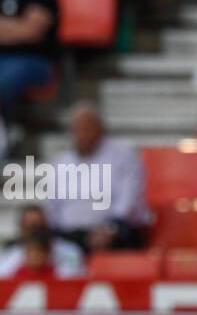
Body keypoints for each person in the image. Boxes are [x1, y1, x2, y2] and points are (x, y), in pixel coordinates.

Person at [42, 102, 150, 251]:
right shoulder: (61, 162)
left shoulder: (123, 154)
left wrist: (110, 228)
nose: (81, 134)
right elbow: (51, 208)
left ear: (100, 129)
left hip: (113, 231)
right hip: (69, 235)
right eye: (77, 129)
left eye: (86, 128)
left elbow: (129, 201)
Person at [0, 203, 85, 278]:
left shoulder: (69, 251)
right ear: (22, 228)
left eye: (39, 226)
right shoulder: (11, 253)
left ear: (47, 225)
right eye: (30, 226)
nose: (35, 231)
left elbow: (74, 279)